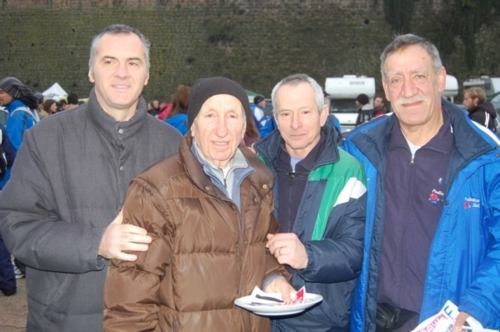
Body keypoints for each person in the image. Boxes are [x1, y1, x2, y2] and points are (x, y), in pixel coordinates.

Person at [0, 24, 183, 332]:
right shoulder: (45, 139)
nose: (121, 73)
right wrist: (95, 243)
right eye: (109, 61)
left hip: (150, 320)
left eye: (133, 63)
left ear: (147, 75)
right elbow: (17, 225)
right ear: (91, 72)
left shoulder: (173, 145)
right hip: (63, 321)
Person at [103, 76, 294, 331]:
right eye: (210, 116)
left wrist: (274, 278)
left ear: (243, 128)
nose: (222, 129)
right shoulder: (156, 191)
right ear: (192, 126)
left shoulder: (259, 182)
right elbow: (129, 304)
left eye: (232, 116)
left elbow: (263, 248)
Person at [342, 34, 500, 332]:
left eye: (419, 76)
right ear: (386, 89)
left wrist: (479, 305)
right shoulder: (359, 149)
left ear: (440, 79)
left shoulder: (485, 156)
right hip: (369, 321)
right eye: (397, 80)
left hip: (447, 323)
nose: (409, 90)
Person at [254, 73, 367, 332]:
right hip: (262, 315)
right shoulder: (256, 169)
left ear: (323, 114)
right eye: (285, 114)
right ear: (275, 118)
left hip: (322, 320)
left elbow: (356, 252)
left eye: (305, 112)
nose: (295, 124)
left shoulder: (348, 170)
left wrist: (308, 256)